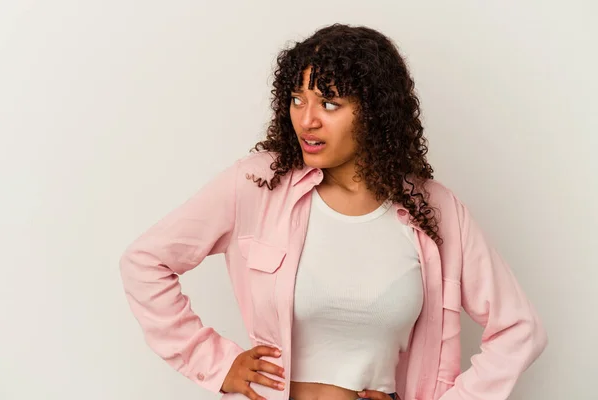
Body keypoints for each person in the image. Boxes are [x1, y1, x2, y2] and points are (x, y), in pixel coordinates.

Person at [119, 23, 547, 400]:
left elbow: (519, 331)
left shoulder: (434, 211)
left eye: (329, 104)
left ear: (374, 114)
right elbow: (144, 261)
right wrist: (214, 362)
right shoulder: (256, 185)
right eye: (297, 99)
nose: (306, 120)